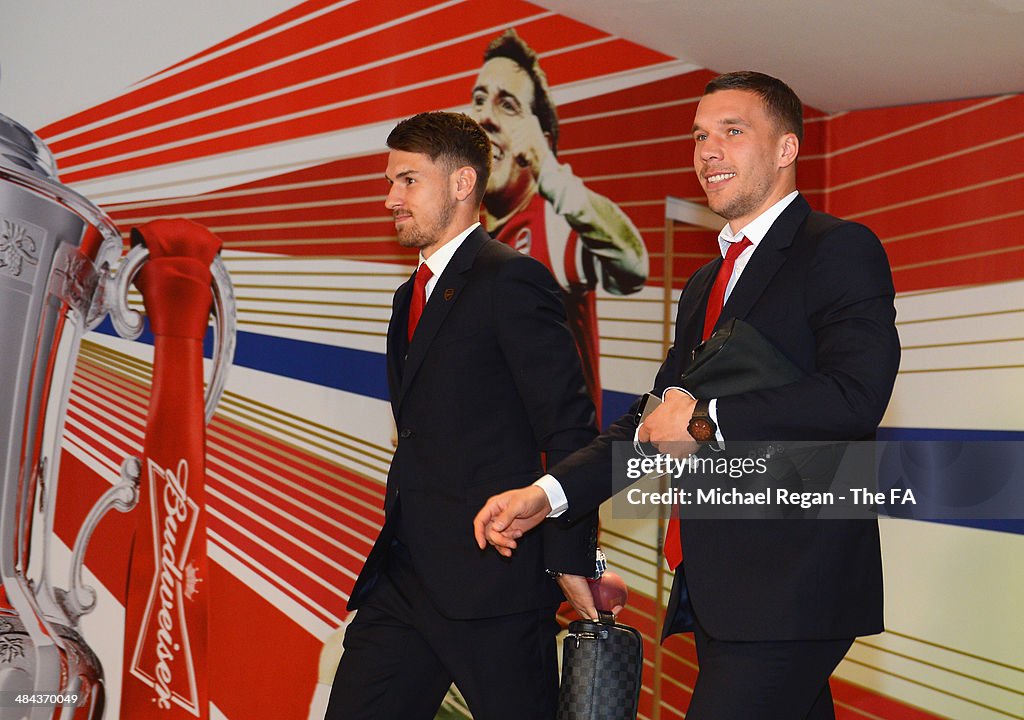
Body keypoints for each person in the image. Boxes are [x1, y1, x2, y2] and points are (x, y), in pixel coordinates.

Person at [473, 72, 901, 719]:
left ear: (786, 149)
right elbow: (654, 423)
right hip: (725, 586)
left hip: (794, 588)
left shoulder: (837, 250)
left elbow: (856, 395)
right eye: (700, 135)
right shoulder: (707, 282)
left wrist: (706, 420)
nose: (708, 150)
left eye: (733, 131)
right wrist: (548, 495)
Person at [326, 111, 601, 720]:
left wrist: (571, 559)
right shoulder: (409, 296)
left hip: (493, 585)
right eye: (390, 181)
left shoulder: (513, 280)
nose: (390, 197)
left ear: (461, 183)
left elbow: (569, 426)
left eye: (407, 181)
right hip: (403, 578)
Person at [470, 29, 650, 421]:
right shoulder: (470, 241)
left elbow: (632, 265)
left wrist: (549, 171)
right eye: (479, 100)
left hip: (550, 476)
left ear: (540, 142)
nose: (484, 116)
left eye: (508, 106)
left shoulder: (553, 222)